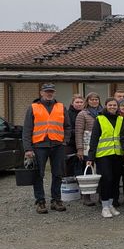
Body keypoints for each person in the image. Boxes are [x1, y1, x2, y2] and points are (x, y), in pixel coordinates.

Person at [22, 83, 71, 214]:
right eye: (47, 91)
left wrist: (65, 141)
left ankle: (56, 200)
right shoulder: (33, 107)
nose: (49, 94)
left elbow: (67, 126)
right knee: (38, 174)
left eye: (51, 91)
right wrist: (28, 148)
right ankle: (40, 202)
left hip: (58, 145)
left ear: (54, 93)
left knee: (58, 174)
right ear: (41, 93)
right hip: (39, 146)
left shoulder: (61, 107)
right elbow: (27, 129)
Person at [85, 98, 123, 218]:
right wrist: (90, 157)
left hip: (117, 154)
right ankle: (105, 206)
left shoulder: (121, 119)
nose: (112, 107)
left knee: (115, 180)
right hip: (103, 156)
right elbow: (94, 139)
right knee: (106, 180)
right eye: (110, 105)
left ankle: (111, 205)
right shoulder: (100, 119)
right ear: (106, 106)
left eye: (115, 105)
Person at [74, 92, 103, 206]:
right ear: (88, 101)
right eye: (92, 99)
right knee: (88, 171)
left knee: (101, 171)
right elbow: (78, 132)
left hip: (101, 145)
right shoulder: (82, 114)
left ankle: (101, 195)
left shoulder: (103, 112)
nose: (94, 101)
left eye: (96, 99)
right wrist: (80, 148)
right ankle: (87, 196)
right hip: (87, 146)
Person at [65, 94, 85, 178]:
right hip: (71, 144)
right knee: (70, 167)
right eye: (77, 102)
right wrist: (79, 132)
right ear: (72, 103)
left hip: (84, 144)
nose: (79, 104)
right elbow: (66, 128)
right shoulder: (67, 114)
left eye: (81, 102)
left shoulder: (86, 113)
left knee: (83, 167)